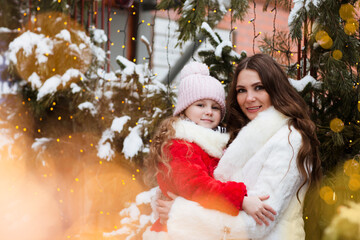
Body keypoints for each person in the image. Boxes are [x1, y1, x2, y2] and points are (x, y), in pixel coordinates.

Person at [157, 54, 322, 240]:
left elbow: (258, 224)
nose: (249, 98)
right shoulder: (243, 135)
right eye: (241, 90)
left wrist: (180, 213)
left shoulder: (290, 139)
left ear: (275, 89)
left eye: (258, 88)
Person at [142, 61, 277, 240]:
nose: (209, 112)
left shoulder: (213, 144)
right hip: (176, 233)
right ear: (184, 110)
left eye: (215, 107)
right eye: (200, 105)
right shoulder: (181, 146)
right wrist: (241, 200)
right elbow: (198, 187)